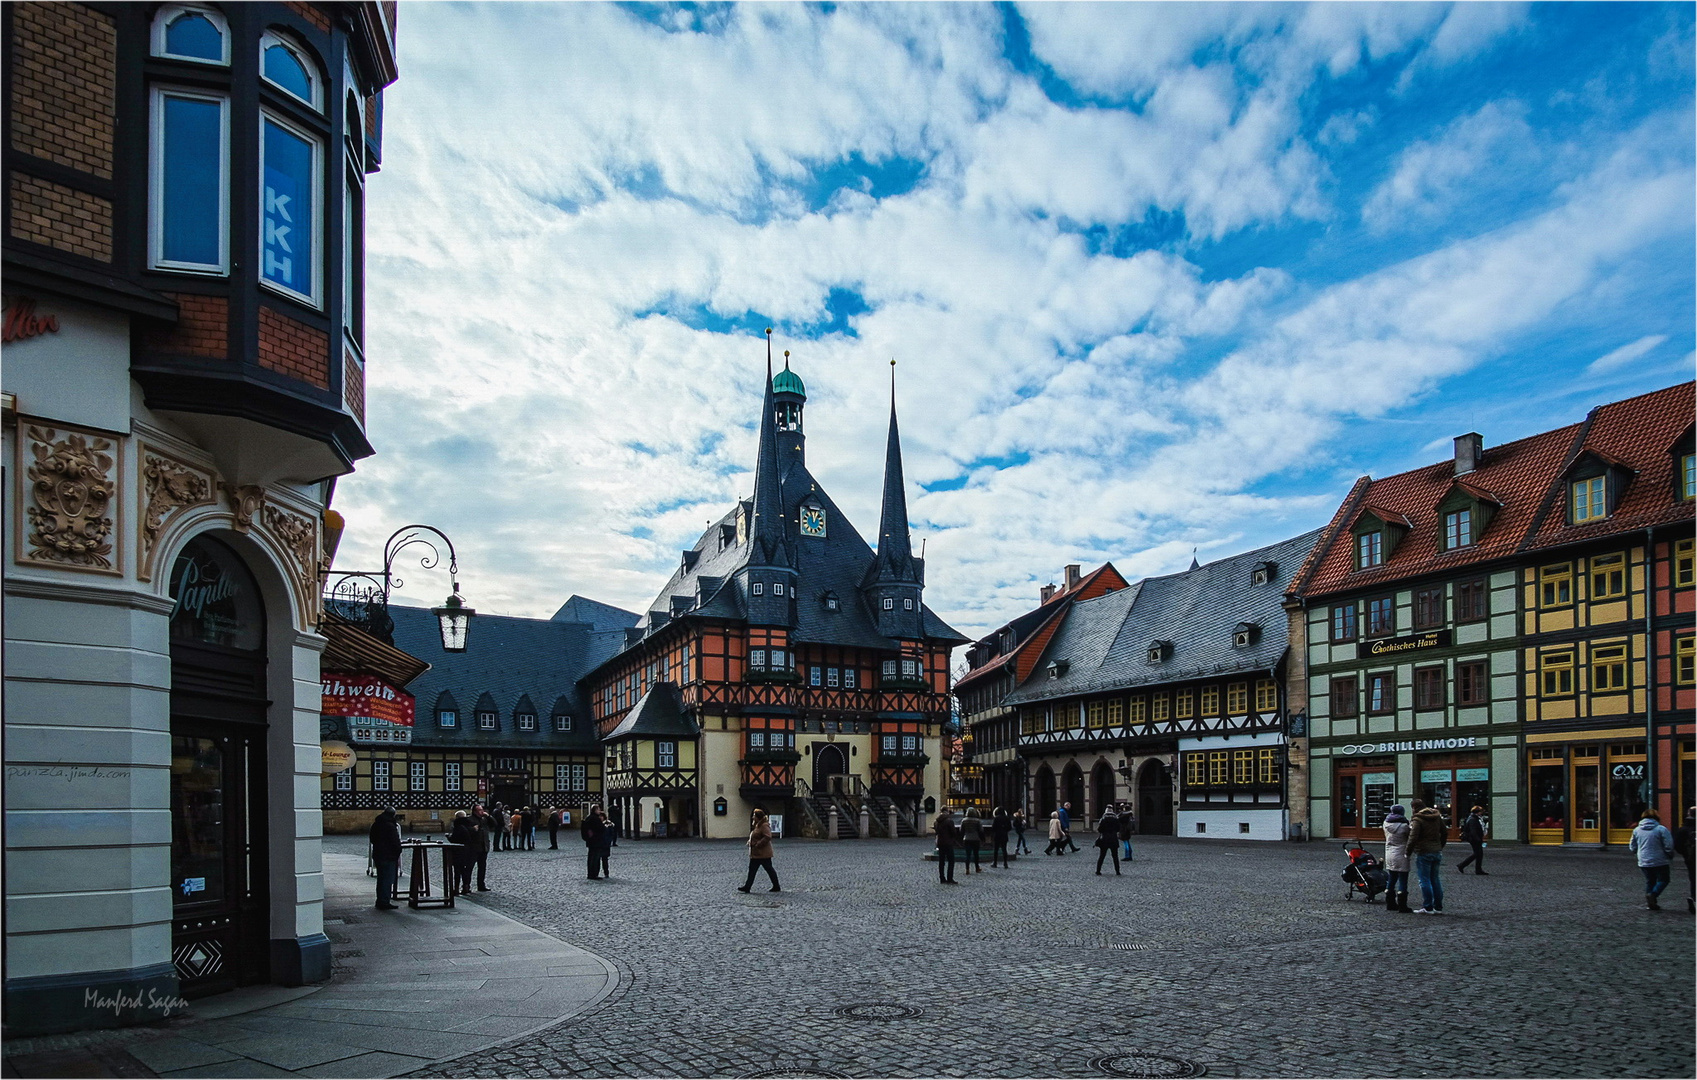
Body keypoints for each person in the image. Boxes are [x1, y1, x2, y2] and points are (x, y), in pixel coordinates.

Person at [1628, 807, 1676, 911]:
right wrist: (1669, 854)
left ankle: (1650, 902)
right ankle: (1653, 895)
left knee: (1650, 881)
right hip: (1660, 860)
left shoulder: (1637, 830)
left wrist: (1637, 853)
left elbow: (1632, 846)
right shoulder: (1661, 829)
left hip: (1643, 860)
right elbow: (1668, 845)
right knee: (1664, 879)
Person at [1406, 798, 1447, 914]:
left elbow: (1413, 837)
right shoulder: (1436, 816)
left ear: (1414, 808)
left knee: (1424, 880)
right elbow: (1444, 832)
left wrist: (1408, 852)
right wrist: (1440, 846)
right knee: (1435, 879)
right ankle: (1438, 907)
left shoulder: (1418, 820)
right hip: (1436, 851)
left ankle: (1428, 907)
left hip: (1423, 852)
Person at [738, 808, 781, 892]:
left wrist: (758, 844)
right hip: (756, 854)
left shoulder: (764, 825)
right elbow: (756, 836)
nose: (753, 817)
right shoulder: (758, 825)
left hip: (763, 853)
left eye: (754, 816)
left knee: (769, 869)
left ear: (758, 817)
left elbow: (768, 836)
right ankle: (747, 887)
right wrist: (750, 841)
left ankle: (776, 886)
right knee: (752, 870)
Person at [369, 807, 402, 910]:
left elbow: (372, 838)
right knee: (387, 879)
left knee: (381, 878)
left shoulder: (376, 823)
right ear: (393, 815)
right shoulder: (390, 826)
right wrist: (398, 851)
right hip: (388, 856)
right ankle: (384, 901)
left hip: (378, 854)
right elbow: (395, 842)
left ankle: (380, 900)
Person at [1382, 803, 1412, 913]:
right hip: (1401, 853)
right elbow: (1409, 837)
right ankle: (1402, 905)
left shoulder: (1385, 823)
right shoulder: (1404, 826)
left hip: (1389, 852)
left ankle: (1390, 903)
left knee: (1391, 877)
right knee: (1403, 879)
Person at [448, 810, 479, 895]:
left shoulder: (458, 826)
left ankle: (456, 888)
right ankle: (466, 886)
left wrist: (449, 837)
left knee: (457, 871)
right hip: (468, 851)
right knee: (465, 871)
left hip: (458, 852)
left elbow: (454, 839)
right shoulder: (470, 825)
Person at [1456, 806, 1488, 875]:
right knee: (1478, 854)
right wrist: (1478, 839)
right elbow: (1473, 831)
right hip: (1475, 839)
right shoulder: (1473, 820)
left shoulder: (1473, 818)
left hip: (1475, 839)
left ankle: (1476, 869)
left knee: (1478, 854)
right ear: (1478, 812)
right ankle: (1463, 865)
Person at [1676, 806, 1696, 915]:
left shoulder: (1684, 829)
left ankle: (1694, 898)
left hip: (1691, 858)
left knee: (1693, 879)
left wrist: (1685, 854)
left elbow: (1677, 845)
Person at [469, 805, 492, 890]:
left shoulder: (484, 819)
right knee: (469, 867)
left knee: (482, 867)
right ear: (474, 811)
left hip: (484, 846)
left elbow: (494, 824)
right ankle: (466, 885)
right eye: (479, 810)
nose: (482, 812)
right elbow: (467, 831)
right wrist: (473, 829)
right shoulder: (470, 820)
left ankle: (481, 885)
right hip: (474, 847)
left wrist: (489, 816)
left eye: (482, 810)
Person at [933, 806, 959, 884]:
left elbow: (936, 832)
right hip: (948, 843)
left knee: (941, 862)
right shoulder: (949, 821)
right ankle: (950, 878)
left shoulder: (936, 821)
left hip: (940, 843)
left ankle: (942, 878)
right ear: (947, 811)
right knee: (951, 861)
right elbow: (953, 832)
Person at [1095, 804, 1122, 875]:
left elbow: (1099, 829)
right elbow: (1118, 829)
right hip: (1113, 839)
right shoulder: (1116, 818)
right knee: (1115, 856)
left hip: (1104, 839)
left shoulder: (1103, 819)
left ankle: (1098, 871)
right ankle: (1117, 871)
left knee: (1102, 856)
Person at [959, 807, 983, 874]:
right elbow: (981, 830)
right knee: (976, 854)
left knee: (968, 854)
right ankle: (977, 868)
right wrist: (982, 838)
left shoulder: (964, 820)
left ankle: (967, 869)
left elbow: (961, 830)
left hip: (967, 839)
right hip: (976, 839)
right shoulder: (977, 821)